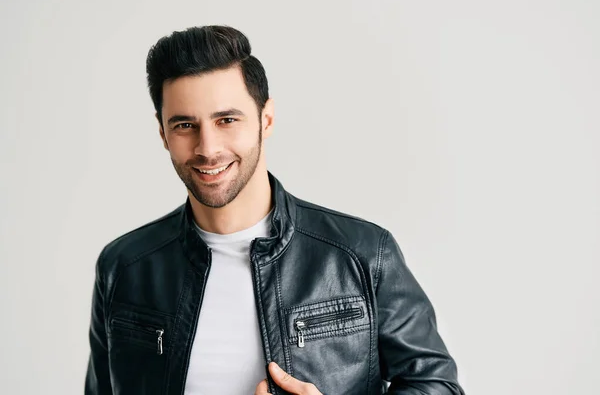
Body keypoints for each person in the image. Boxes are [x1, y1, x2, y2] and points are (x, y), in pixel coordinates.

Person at [84, 25, 464, 395]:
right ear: (163, 132)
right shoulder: (124, 266)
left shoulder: (363, 253)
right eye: (185, 125)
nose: (207, 148)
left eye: (227, 120)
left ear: (266, 119)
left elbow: (437, 385)